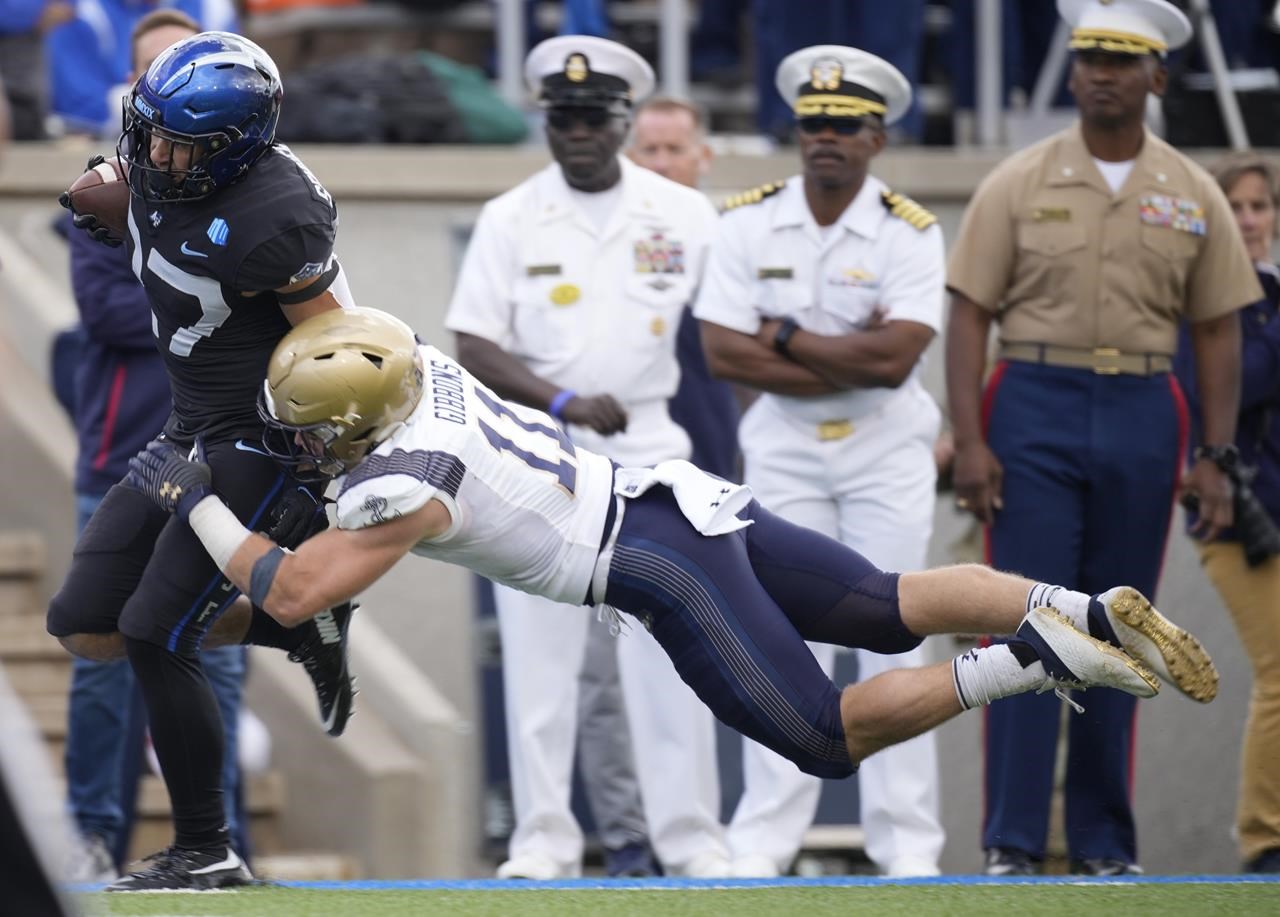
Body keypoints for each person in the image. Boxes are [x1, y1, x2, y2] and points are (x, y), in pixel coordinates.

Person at [126, 308, 1219, 837]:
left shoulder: (397, 486)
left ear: (356, 426)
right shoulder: (419, 366)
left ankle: (1028, 657)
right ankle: (1071, 603)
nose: (308, 448)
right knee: (885, 606)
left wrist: (197, 497)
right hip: (677, 495)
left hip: (647, 557)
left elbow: (292, 589)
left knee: (825, 733)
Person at [944, 0, 1256, 877]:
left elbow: (1220, 329)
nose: (1101, 75)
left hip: (1143, 409)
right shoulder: (1019, 178)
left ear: (1157, 77)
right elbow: (970, 311)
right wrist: (969, 441)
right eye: (1088, 58)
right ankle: (1009, 840)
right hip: (1033, 401)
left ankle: (1104, 846)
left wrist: (1216, 454)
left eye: (1122, 61)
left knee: (1122, 631)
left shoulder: (1192, 191)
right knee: (1025, 623)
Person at [48, 30, 358, 892]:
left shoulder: (276, 216)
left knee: (157, 631)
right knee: (82, 622)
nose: (156, 154)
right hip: (183, 425)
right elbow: (149, 212)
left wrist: (322, 473)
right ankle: (297, 620)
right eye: (147, 132)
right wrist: (117, 201)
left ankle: (207, 846)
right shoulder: (153, 164)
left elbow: (340, 348)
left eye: (180, 144)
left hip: (251, 441)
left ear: (237, 150)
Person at [444, 36, 731, 880]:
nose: (576, 131)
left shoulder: (684, 216)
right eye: (562, 116)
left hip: (653, 452)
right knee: (541, 662)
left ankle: (692, 837)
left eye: (593, 116)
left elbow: (727, 341)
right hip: (540, 454)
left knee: (669, 657)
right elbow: (473, 342)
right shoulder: (511, 216)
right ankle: (543, 840)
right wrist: (560, 401)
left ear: (625, 122)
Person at [692, 45, 945, 879]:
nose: (825, 136)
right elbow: (724, 353)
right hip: (785, 445)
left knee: (895, 633)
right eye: (813, 123)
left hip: (884, 443)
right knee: (778, 635)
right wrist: (845, 348)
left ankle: (907, 844)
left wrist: (789, 334)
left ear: (877, 137)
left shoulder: (911, 228)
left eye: (844, 124)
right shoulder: (745, 219)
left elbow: (895, 362)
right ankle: (765, 837)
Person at [56, 9, 251, 882]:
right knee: (97, 645)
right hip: (126, 450)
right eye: (150, 79)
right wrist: (213, 292)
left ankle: (219, 836)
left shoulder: (254, 193)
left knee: (220, 654)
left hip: (221, 455)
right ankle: (95, 828)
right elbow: (111, 315)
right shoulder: (107, 188)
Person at [1173, 151, 1280, 875]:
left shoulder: (1270, 293)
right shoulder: (1200, 301)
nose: (1248, 219)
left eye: (1260, 206)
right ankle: (1264, 838)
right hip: (1238, 518)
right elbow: (1239, 383)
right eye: (1234, 206)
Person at [44, 0, 237, 137]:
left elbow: (233, 86)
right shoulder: (81, 10)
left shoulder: (214, 7)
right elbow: (77, 104)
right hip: (115, 141)